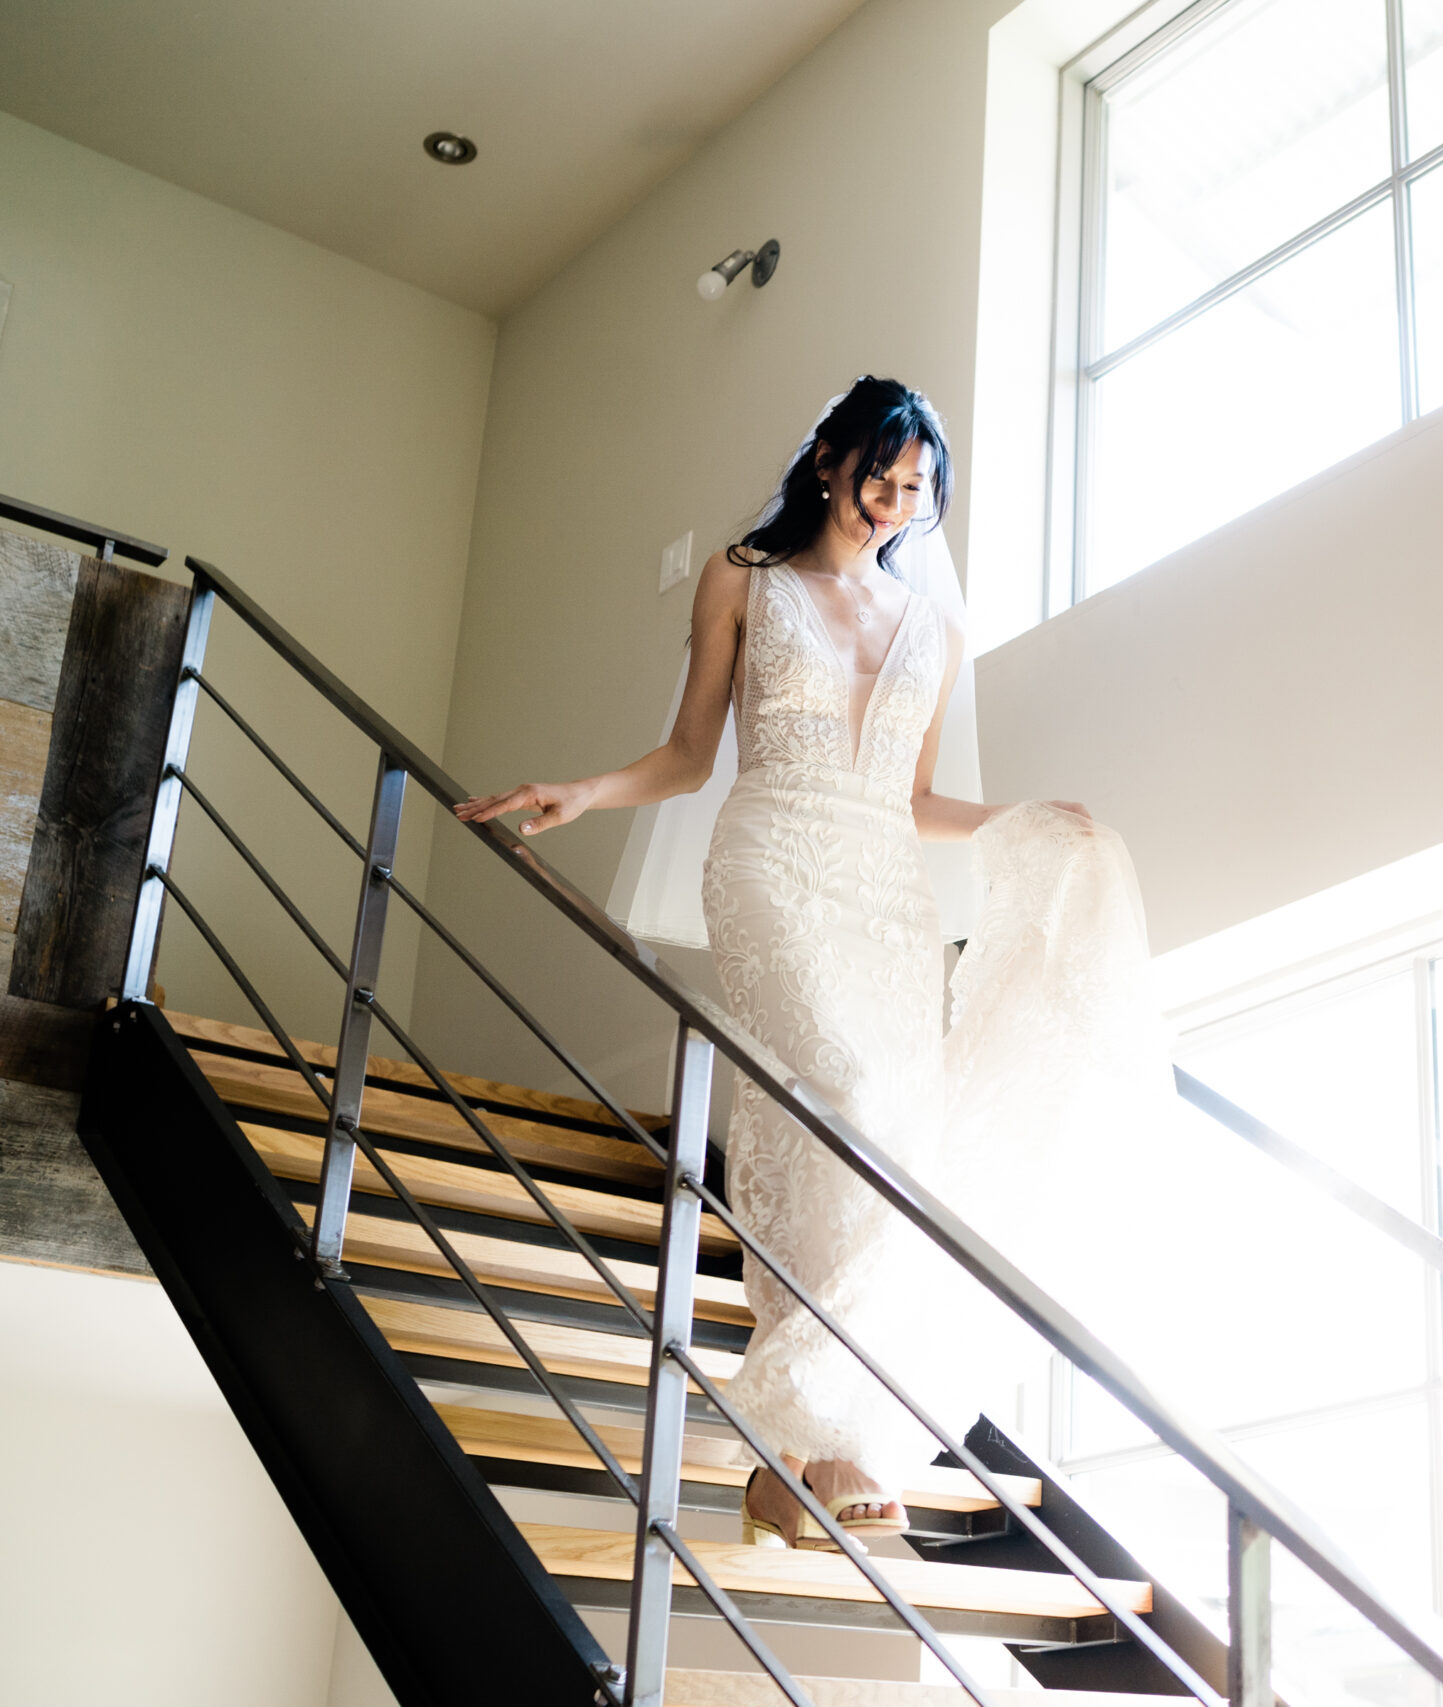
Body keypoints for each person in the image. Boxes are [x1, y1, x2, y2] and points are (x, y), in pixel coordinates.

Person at [457, 377, 1100, 1548]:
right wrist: (584, 789)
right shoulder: (742, 582)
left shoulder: (934, 630)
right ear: (828, 461)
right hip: (770, 863)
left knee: (886, 1143)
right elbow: (689, 753)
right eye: (880, 478)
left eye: (917, 493)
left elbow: (911, 802)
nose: (894, 507)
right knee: (852, 1098)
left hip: (885, 895)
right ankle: (799, 1421)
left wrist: (1023, 821)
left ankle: (790, 1459)